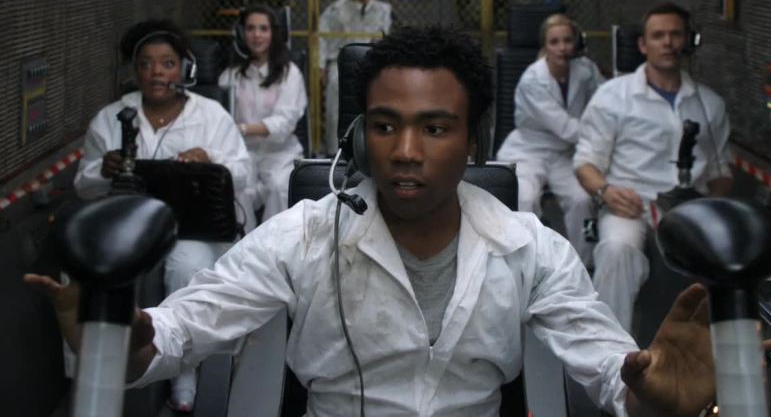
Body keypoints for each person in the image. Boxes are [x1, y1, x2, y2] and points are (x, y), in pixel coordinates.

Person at [31, 26, 721, 416]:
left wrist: (656, 396)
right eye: (386, 126)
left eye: (435, 128)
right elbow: (183, 329)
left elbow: (613, 372)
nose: (407, 151)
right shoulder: (303, 234)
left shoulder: (531, 248)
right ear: (360, 139)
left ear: (473, 142)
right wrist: (125, 342)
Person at [72, 19, 253, 412]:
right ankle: (92, 375)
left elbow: (243, 172)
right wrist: (103, 170)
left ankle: (183, 375)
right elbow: (83, 186)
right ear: (134, 71)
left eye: (167, 63)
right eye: (147, 64)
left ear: (184, 69)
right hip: (127, 230)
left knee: (187, 265)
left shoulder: (211, 115)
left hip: (191, 229)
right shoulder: (112, 117)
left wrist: (210, 159)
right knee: (83, 273)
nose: (157, 72)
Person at [574, 3, 733, 333]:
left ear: (689, 41)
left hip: (690, 209)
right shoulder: (612, 96)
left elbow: (720, 172)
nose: (668, 43)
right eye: (658, 36)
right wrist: (607, 192)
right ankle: (610, 352)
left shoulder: (710, 103)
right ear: (643, 45)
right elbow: (586, 164)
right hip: (630, 205)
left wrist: (712, 213)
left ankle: (706, 351)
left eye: (675, 35)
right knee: (616, 251)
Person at [496, 13, 604, 264]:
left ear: (576, 43)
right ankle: (529, 264)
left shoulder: (586, 70)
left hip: (565, 154)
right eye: (554, 42)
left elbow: (606, 102)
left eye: (567, 40)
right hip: (528, 152)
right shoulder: (532, 79)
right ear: (545, 45)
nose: (562, 47)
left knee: (583, 199)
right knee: (524, 198)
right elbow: (565, 127)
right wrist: (603, 136)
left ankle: (583, 265)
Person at [219, 5, 307, 222]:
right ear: (242, 33)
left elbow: (284, 122)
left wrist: (242, 129)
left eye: (263, 29)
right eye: (250, 28)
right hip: (243, 152)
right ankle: (244, 240)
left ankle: (275, 243)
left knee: (278, 187)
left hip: (280, 152)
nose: (256, 35)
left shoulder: (289, 73)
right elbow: (220, 119)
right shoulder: (231, 75)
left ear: (273, 33)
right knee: (238, 188)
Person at [319, 0, 392, 153]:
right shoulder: (336, 9)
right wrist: (320, 66)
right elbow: (322, 36)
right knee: (336, 104)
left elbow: (387, 37)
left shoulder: (383, 10)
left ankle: (370, 149)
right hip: (340, 62)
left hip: (372, 62)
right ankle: (335, 150)